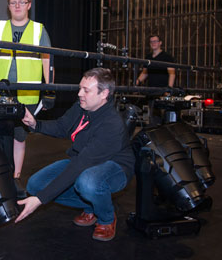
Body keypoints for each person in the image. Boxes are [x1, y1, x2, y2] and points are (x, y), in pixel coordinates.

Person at [15, 68, 135, 242]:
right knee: (35, 185)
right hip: (84, 160)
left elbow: (81, 165)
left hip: (115, 166)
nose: (80, 94)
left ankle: (106, 218)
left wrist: (40, 200)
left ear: (104, 94)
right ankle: (93, 205)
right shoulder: (81, 106)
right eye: (80, 88)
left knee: (87, 182)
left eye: (86, 90)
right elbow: (62, 127)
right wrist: (35, 124)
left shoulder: (111, 124)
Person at [0, 0, 52, 196]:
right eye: (13, 2)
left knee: (19, 136)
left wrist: (50, 89)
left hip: (27, 93)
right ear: (8, 5)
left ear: (29, 5)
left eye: (22, 2)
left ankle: (15, 178)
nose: (18, 6)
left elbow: (48, 59)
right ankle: (0, 177)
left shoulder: (39, 30)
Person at [136, 34, 176, 125]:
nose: (153, 43)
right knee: (153, 116)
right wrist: (137, 81)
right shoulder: (148, 57)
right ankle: (155, 135)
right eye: (151, 42)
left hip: (163, 90)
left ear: (160, 43)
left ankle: (165, 135)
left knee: (164, 115)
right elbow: (145, 72)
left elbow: (172, 73)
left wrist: (169, 89)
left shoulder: (166, 57)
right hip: (151, 90)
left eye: (155, 41)